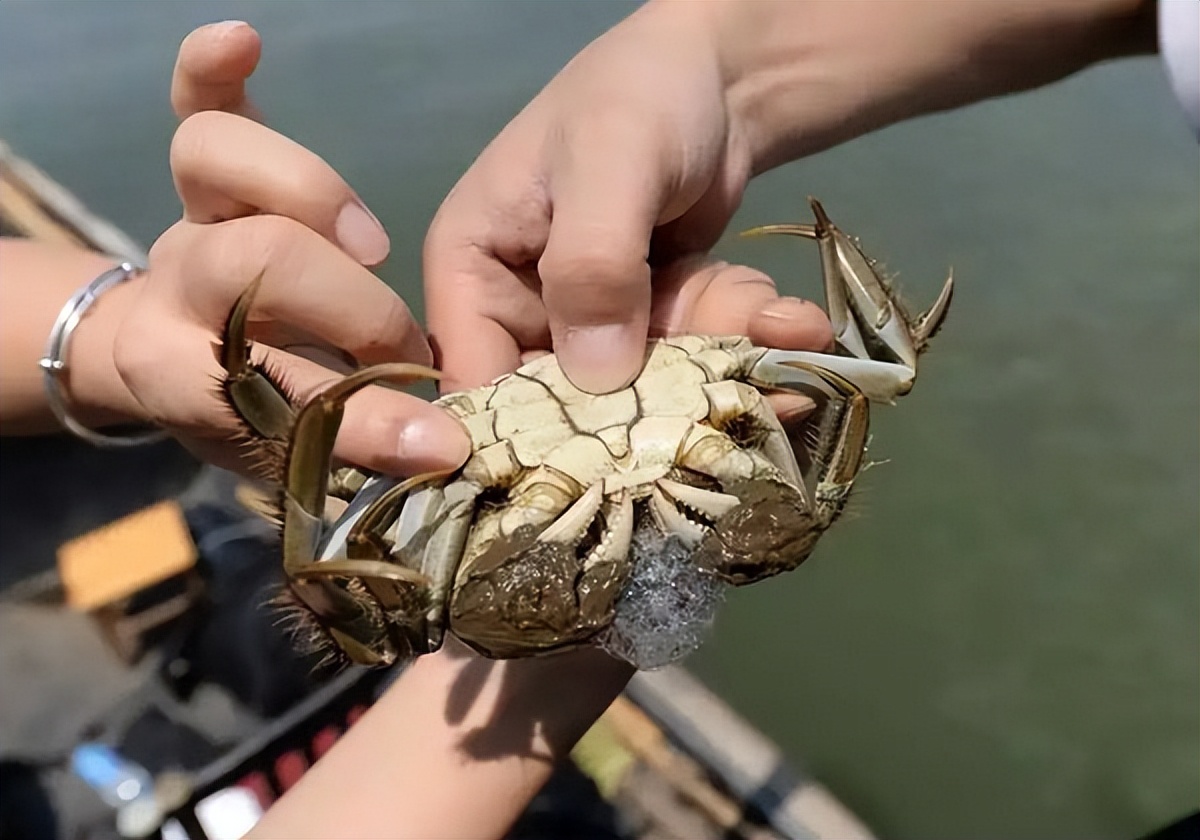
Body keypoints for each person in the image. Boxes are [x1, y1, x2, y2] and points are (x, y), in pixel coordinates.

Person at [5, 0, 1192, 836]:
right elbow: (354, 597)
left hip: (579, 435)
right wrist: (585, 633)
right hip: (603, 452)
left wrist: (112, 339)